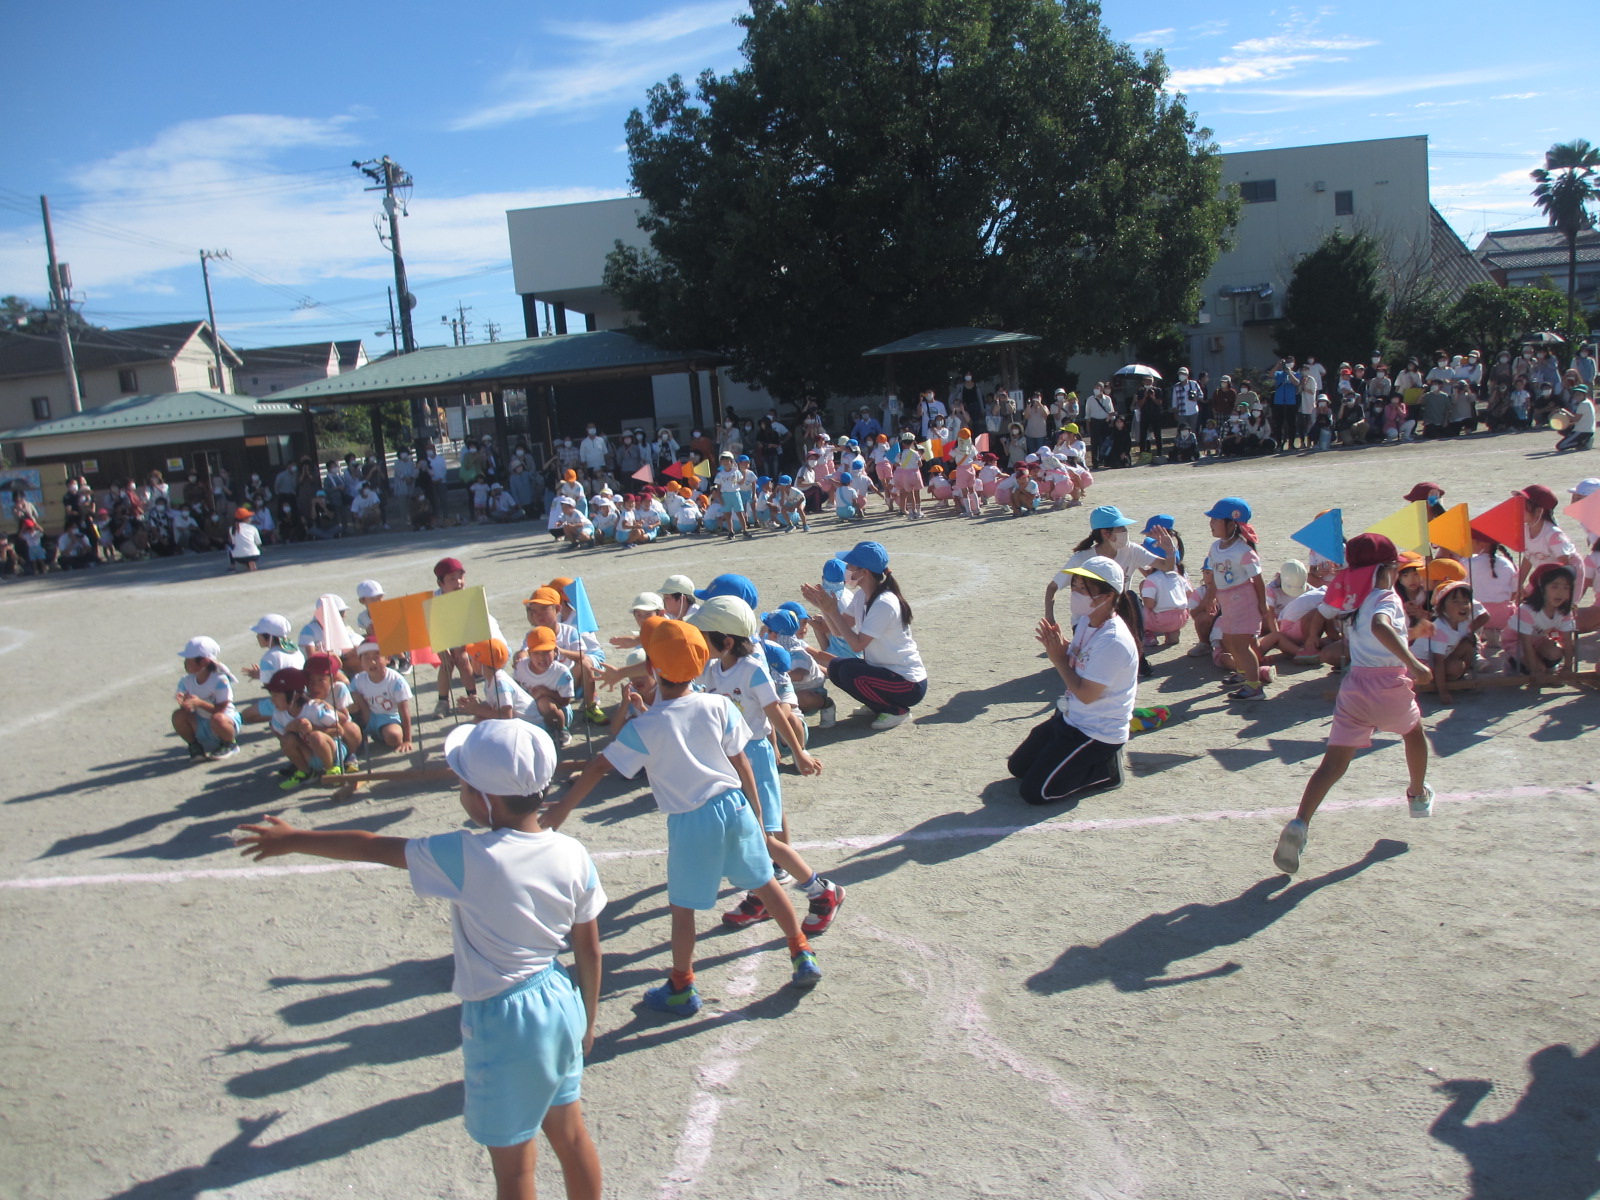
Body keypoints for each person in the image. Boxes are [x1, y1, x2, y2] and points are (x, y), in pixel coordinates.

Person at [235, 719, 604, 1200]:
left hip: (504, 1019)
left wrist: (294, 837)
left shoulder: (467, 854)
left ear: (485, 798)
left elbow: (371, 846)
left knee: (514, 1169)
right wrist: (589, 1021)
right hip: (559, 1000)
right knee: (572, 1136)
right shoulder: (572, 852)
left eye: (463, 784)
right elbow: (589, 949)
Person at [543, 617, 820, 1016]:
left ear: (653, 669)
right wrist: (757, 815)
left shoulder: (646, 726)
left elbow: (599, 767)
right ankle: (801, 951)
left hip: (691, 820)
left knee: (683, 908)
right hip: (736, 806)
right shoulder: (719, 705)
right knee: (765, 883)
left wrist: (559, 811)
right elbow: (741, 763)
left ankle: (681, 984)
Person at [1272, 534, 1434, 875]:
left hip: (1355, 686)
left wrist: (1412, 633)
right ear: (1385, 570)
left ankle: (1300, 823)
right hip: (1389, 683)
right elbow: (1380, 627)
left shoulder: (1350, 601)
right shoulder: (1386, 597)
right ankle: (1417, 795)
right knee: (1414, 733)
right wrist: (1414, 663)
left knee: (1332, 765)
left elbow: (1329, 612)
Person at [1008, 555, 1139, 806]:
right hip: (1071, 719)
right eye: (1075, 587)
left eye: (1084, 589)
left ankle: (1106, 772)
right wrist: (1062, 647)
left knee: (1036, 792)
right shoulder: (1088, 623)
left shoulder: (1113, 640)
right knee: (1018, 767)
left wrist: (1057, 659)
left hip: (1097, 732)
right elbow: (1081, 660)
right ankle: (1071, 760)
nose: (1076, 594)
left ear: (1108, 596)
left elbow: (1087, 695)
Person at [799, 541, 926, 730]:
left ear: (864, 572)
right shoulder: (861, 596)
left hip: (907, 683)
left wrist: (832, 611)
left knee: (848, 672)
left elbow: (857, 645)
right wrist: (824, 608)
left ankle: (896, 710)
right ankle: (878, 704)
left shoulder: (884, 602)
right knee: (836, 667)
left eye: (850, 566)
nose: (846, 570)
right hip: (885, 672)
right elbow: (836, 631)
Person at [1197, 497, 1274, 701]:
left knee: (1241, 644)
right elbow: (1215, 577)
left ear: (1232, 523)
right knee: (1229, 639)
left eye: (1215, 520)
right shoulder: (1215, 548)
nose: (1211, 524)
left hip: (1244, 602)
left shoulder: (1244, 551)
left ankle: (1254, 686)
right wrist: (1212, 598)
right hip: (1227, 601)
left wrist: (1261, 604)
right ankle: (1242, 674)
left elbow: (1258, 580)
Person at [172, 636, 241, 762]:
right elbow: (186, 706)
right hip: (203, 722)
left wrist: (199, 703)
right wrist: (185, 704)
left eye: (189, 659)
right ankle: (195, 746)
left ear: (203, 662)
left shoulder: (220, 680)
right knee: (178, 715)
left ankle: (229, 744)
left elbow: (221, 709)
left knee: (218, 718)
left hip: (222, 723)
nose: (185, 662)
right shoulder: (186, 681)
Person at [350, 642, 415, 753]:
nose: (372, 662)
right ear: (360, 661)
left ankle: (381, 734)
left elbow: (404, 711)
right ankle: (361, 735)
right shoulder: (358, 680)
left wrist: (407, 740)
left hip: (389, 717)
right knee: (351, 697)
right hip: (368, 715)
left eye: (377, 657)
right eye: (366, 658)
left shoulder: (396, 681)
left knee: (394, 737)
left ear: (388, 659)